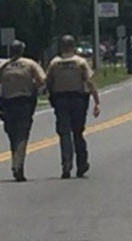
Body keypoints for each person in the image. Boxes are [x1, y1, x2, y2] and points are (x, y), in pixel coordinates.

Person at [0, 40, 45, 182]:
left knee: (12, 135)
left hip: (8, 104)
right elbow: (42, 80)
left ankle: (16, 162)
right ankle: (18, 165)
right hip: (25, 103)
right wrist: (34, 88)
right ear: (22, 51)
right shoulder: (30, 64)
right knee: (22, 135)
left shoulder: (3, 66)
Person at [46, 35, 101, 179]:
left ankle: (66, 163)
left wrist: (51, 96)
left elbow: (48, 82)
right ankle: (82, 163)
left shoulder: (55, 63)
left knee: (64, 133)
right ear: (73, 46)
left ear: (61, 47)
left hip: (61, 100)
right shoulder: (80, 62)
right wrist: (96, 101)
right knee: (78, 133)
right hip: (78, 100)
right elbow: (89, 82)